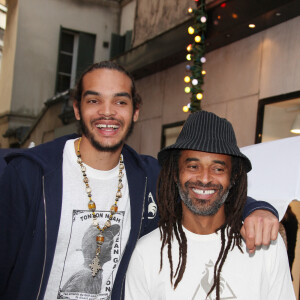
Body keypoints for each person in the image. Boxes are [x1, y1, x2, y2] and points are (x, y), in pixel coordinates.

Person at [0, 61, 278, 300]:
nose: (107, 112)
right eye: (94, 100)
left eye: (120, 101)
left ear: (135, 111)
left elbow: (208, 190)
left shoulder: (148, 176)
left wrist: (259, 211)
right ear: (77, 109)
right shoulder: (30, 175)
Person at [125, 111, 295, 300]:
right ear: (175, 173)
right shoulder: (146, 253)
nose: (205, 178)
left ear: (234, 176)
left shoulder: (265, 245)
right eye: (193, 166)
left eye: (218, 169)